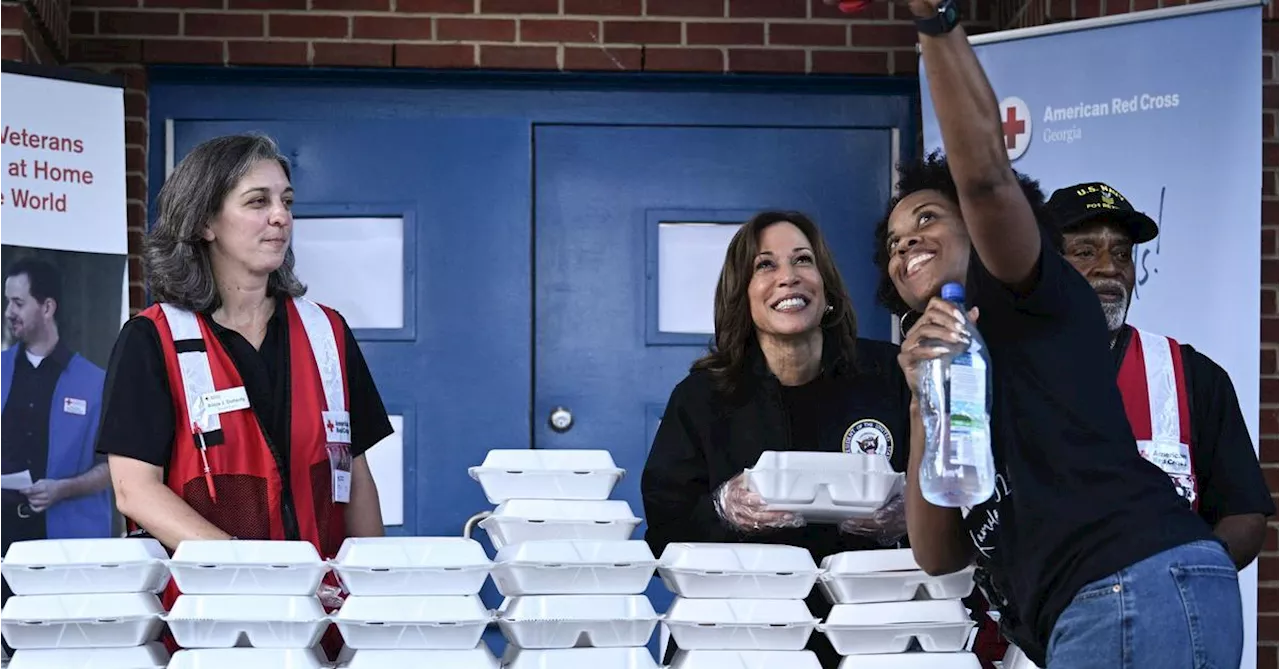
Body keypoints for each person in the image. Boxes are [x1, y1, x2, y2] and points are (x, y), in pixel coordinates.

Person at [864, 0, 1244, 666]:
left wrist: (937, 22)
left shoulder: (1019, 289)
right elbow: (939, 550)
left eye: (928, 216)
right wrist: (923, 393)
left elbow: (983, 173)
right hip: (1099, 604)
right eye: (894, 242)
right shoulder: (939, 360)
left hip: (1124, 583)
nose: (908, 242)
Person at [95, 133, 392, 655]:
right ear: (205, 222)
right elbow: (135, 490)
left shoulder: (328, 332)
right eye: (258, 202)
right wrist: (251, 570)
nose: (280, 216)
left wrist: (374, 592)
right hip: (210, 623)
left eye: (286, 201)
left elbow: (357, 476)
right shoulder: (152, 339)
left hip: (323, 623)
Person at [641, 210, 913, 669]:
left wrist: (912, 514)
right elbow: (664, 533)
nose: (788, 277)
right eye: (765, 265)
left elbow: (957, 492)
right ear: (742, 295)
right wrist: (722, 510)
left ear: (825, 286)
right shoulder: (702, 397)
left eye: (803, 261)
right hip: (740, 634)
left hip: (872, 631)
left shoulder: (891, 374)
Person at [1049, 181, 1274, 569]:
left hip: (1166, 618)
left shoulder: (1192, 376)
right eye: (1085, 251)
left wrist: (1191, 577)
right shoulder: (1006, 371)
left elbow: (1244, 514)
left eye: (1122, 253)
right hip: (1045, 621)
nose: (1110, 267)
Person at [0, 257, 112, 582]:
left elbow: (113, 468)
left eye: (18, 303)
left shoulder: (95, 383)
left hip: (68, 548)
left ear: (47, 307)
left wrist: (62, 489)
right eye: (7, 302)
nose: (8, 312)